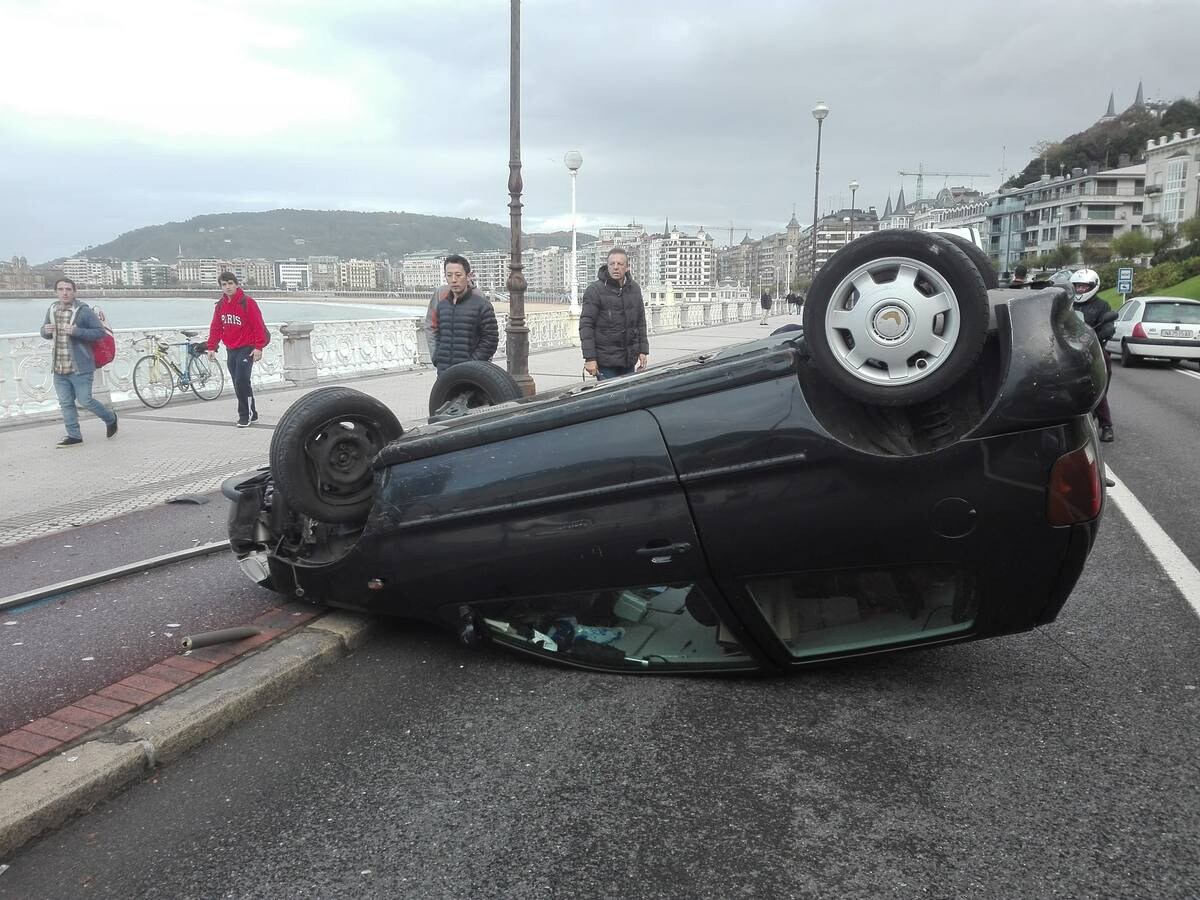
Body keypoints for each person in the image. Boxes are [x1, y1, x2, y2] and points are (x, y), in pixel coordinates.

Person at [40, 277, 118, 447]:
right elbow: (44, 332)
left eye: (68, 289)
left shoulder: (84, 311)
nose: (64, 292)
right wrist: (45, 331)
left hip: (81, 366)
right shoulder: (52, 309)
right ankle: (74, 436)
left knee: (85, 401)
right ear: (56, 292)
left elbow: (99, 332)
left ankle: (111, 418)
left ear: (74, 292)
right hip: (59, 367)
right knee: (66, 403)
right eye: (61, 289)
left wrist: (76, 331)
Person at [207, 272, 267, 427]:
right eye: (224, 284)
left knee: (241, 380)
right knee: (237, 382)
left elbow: (258, 326)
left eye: (230, 283)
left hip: (247, 348)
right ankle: (253, 413)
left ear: (236, 284)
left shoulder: (247, 303)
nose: (227, 287)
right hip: (231, 349)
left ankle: (244, 415)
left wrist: (259, 347)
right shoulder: (220, 305)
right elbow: (216, 327)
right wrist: (212, 347)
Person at [579, 247, 648, 380]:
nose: (615, 267)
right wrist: (590, 358)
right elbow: (586, 326)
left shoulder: (634, 289)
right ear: (607, 266)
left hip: (629, 360)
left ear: (627, 267)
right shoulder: (595, 290)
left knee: (628, 397)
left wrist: (642, 351)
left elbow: (640, 322)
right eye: (612, 264)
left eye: (620, 264)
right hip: (606, 362)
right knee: (610, 398)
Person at [424, 254, 499, 373]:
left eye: (458, 275)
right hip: (445, 373)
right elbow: (432, 327)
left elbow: (490, 339)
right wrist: (437, 358)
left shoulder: (481, 302)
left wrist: (475, 364)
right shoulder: (442, 302)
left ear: (468, 276)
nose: (454, 280)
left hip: (473, 372)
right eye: (449, 275)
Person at [1069, 268, 1118, 442]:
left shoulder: (1102, 305)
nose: (1080, 290)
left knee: (1098, 388)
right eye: (1078, 286)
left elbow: (1109, 325)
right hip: (1068, 349)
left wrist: (1104, 332)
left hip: (1093, 350)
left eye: (1084, 286)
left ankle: (1106, 426)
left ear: (1093, 286)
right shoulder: (1068, 304)